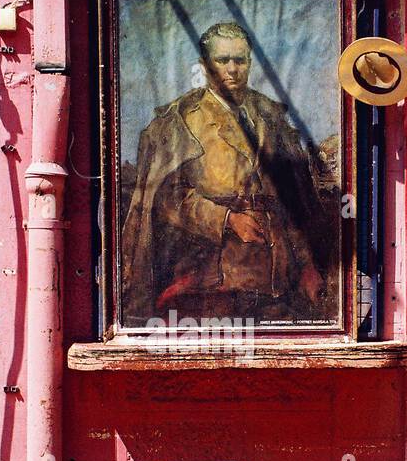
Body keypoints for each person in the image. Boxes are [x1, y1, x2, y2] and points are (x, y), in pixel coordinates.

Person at [121, 20, 328, 325]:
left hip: (274, 278)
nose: (232, 68)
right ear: (205, 66)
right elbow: (166, 197)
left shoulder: (270, 116)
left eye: (240, 60)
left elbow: (289, 203)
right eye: (222, 60)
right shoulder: (182, 120)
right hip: (209, 280)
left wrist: (307, 266)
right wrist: (227, 219)